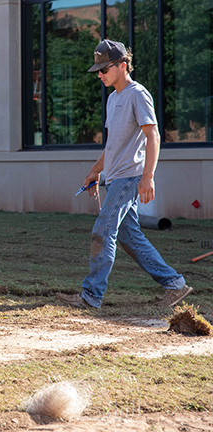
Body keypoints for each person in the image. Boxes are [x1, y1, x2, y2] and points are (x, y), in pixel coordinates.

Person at [55, 39, 192, 310]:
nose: (100, 74)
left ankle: (90, 296)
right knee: (129, 236)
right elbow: (113, 144)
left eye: (105, 69)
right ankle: (175, 284)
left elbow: (153, 135)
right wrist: (95, 171)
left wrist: (147, 176)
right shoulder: (113, 98)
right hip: (115, 178)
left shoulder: (137, 94)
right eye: (98, 70)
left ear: (123, 65)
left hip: (130, 177)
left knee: (102, 232)